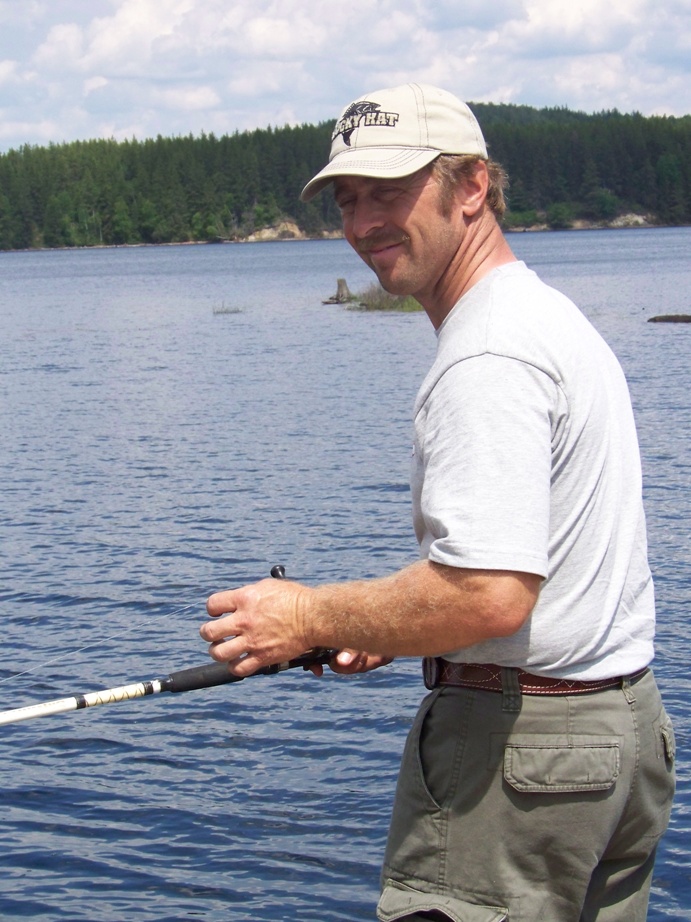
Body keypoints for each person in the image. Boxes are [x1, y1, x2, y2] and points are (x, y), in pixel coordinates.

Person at [200, 83, 675, 921]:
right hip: (617, 733)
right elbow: (527, 575)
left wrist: (306, 616)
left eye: (388, 192)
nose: (362, 223)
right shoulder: (542, 315)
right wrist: (380, 625)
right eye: (347, 200)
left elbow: (487, 594)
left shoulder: (485, 356)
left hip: (521, 759)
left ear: (471, 187)